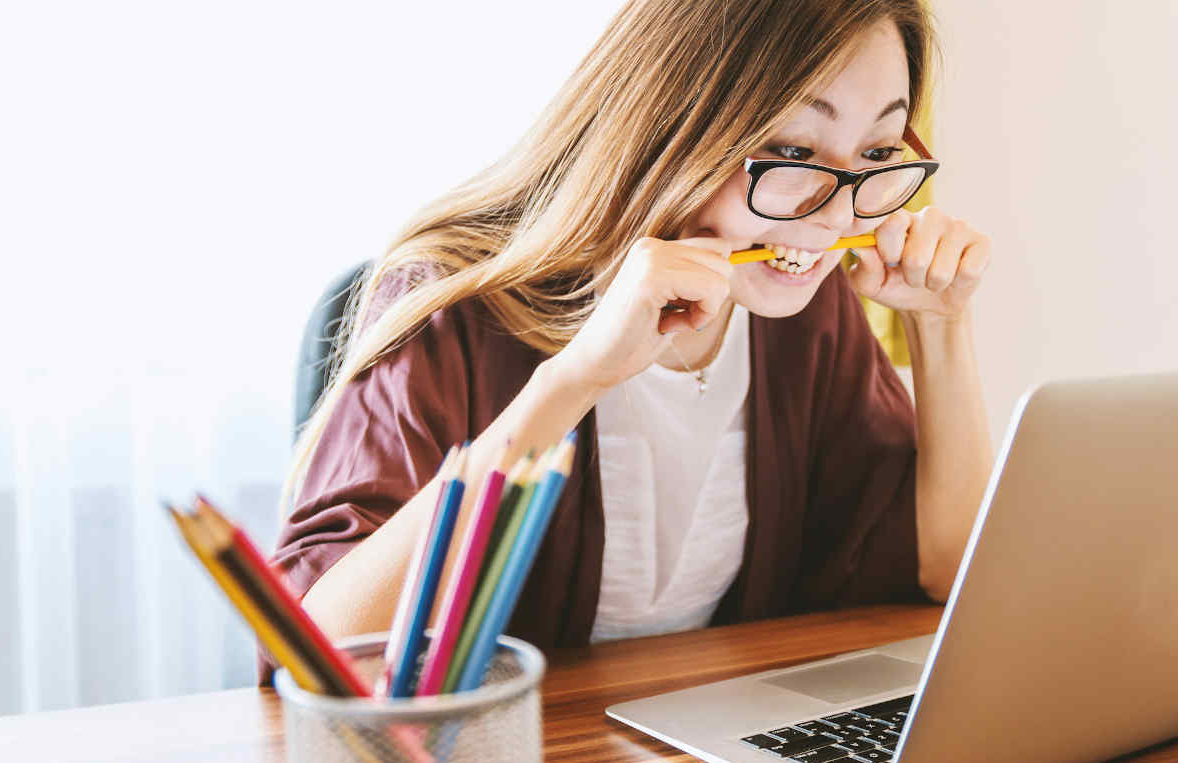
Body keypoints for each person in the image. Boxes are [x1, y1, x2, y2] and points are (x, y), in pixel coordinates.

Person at [261, 0, 994, 684]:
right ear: (673, 123)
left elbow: (947, 567)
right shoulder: (453, 302)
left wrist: (941, 324)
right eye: (794, 148)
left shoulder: (807, 311)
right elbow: (321, 653)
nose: (836, 217)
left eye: (876, 153)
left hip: (699, 741)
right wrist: (575, 379)